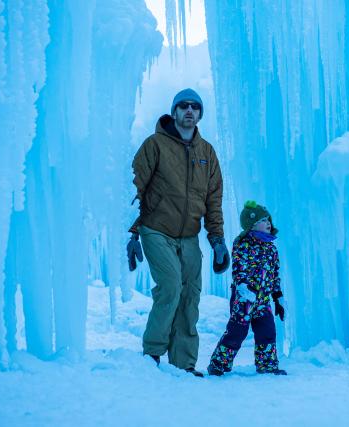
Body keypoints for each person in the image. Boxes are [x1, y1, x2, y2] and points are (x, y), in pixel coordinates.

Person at [126, 88, 230, 377]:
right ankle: (153, 354)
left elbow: (213, 200)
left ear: (199, 114)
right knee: (170, 286)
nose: (188, 111)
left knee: (190, 296)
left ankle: (184, 363)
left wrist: (217, 239)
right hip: (155, 230)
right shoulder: (155, 145)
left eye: (194, 107)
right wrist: (133, 233)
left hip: (189, 237)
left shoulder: (206, 153)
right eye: (183, 106)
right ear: (174, 111)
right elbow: (135, 188)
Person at [207, 200, 287, 376]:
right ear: (252, 224)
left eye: (269, 220)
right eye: (263, 220)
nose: (268, 223)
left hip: (263, 300)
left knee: (267, 331)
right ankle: (218, 364)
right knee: (237, 331)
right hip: (244, 299)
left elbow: (274, 274)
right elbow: (239, 268)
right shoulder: (242, 244)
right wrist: (243, 287)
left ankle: (267, 365)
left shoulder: (271, 248)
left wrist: (278, 296)